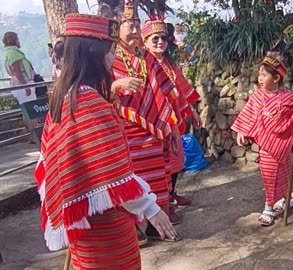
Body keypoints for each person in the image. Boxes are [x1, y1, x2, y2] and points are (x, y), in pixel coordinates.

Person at [33, 13, 177, 270]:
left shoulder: (63, 100)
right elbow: (112, 173)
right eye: (111, 52)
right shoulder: (90, 105)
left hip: (82, 226)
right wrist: (150, 208)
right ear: (93, 55)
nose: (113, 60)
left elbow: (53, 162)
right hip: (106, 226)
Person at [111, 1, 183, 241]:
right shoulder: (110, 59)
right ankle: (131, 228)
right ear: (116, 28)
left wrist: (171, 126)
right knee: (129, 180)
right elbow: (96, 92)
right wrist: (116, 85)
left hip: (155, 132)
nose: (133, 30)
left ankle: (157, 227)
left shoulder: (147, 58)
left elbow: (166, 92)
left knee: (158, 179)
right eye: (127, 24)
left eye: (136, 24)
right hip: (124, 131)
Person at [231, 53, 293, 226]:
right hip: (267, 145)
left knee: (285, 173)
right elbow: (248, 115)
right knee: (268, 174)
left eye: (264, 75)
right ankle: (269, 205)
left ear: (276, 78)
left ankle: (286, 196)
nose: (260, 78)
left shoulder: (288, 97)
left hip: (284, 144)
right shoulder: (258, 96)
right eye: (259, 75)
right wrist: (241, 131)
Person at [142, 15, 202, 222]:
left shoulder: (168, 63)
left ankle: (171, 194)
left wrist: (192, 112)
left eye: (163, 39)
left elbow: (182, 89)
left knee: (176, 160)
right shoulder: (143, 64)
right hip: (155, 120)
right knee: (161, 162)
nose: (160, 42)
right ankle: (163, 202)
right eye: (155, 38)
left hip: (175, 119)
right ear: (145, 42)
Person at [3, 31, 36, 104]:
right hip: (23, 84)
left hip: (23, 83)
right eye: (17, 39)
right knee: (30, 107)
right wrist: (25, 87)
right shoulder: (13, 53)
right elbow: (17, 71)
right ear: (13, 41)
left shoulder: (12, 52)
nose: (19, 41)